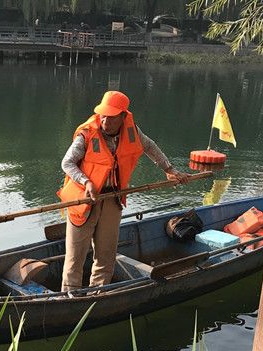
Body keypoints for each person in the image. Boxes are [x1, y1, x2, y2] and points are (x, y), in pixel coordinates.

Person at [57, 90, 192, 293]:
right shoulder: (87, 134)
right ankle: (68, 298)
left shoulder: (132, 131)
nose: (105, 120)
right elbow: (67, 163)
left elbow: (150, 147)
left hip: (112, 199)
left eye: (111, 117)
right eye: (103, 115)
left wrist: (169, 169)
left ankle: (98, 294)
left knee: (106, 255)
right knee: (75, 257)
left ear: (122, 116)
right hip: (83, 200)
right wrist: (86, 182)